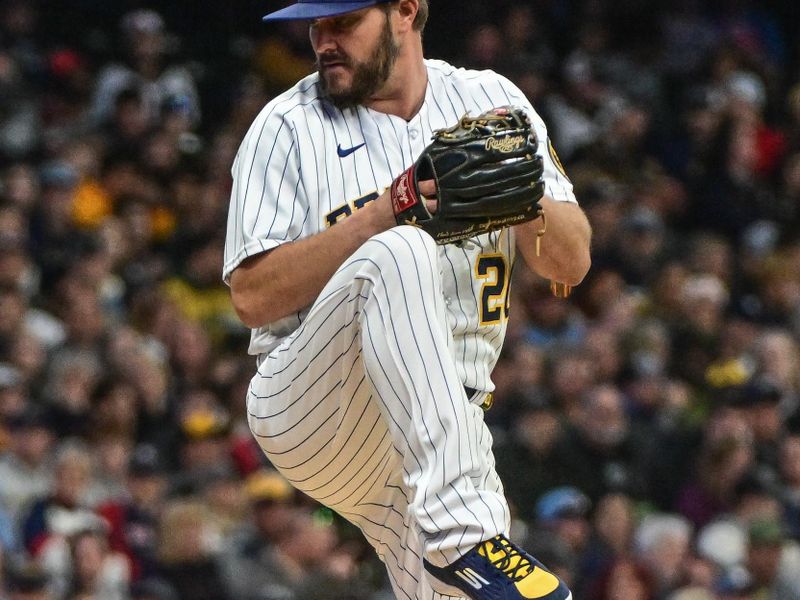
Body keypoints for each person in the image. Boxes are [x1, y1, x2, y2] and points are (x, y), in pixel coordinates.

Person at [223, 1, 591, 598]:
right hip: (320, 402)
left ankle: (462, 543)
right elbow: (250, 297)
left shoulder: (490, 99)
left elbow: (570, 263)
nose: (323, 40)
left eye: (342, 21)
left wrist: (525, 195)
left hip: (442, 427)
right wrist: (383, 212)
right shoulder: (286, 126)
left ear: (406, 10)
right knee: (400, 250)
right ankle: (463, 535)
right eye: (316, 26)